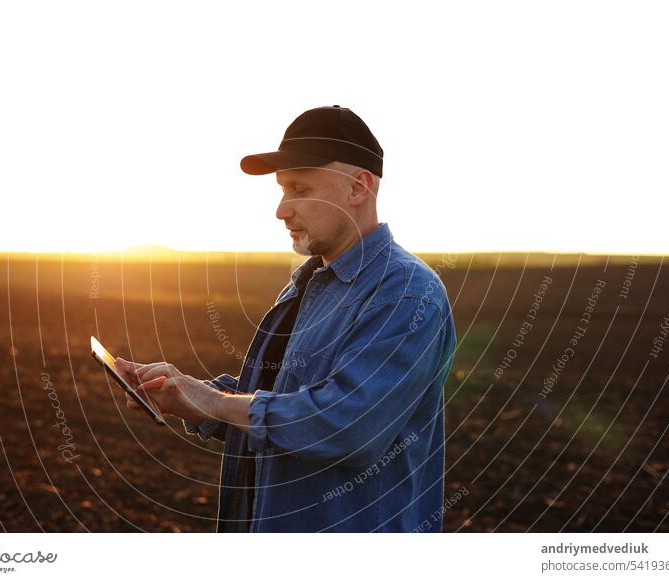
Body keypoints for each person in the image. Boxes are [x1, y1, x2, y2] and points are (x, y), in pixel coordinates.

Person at [115, 105, 457, 532]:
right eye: (281, 190)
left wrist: (213, 403)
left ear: (358, 187)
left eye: (298, 188)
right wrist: (187, 397)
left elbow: (345, 425)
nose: (281, 210)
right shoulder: (308, 283)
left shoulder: (406, 292)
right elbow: (276, 404)